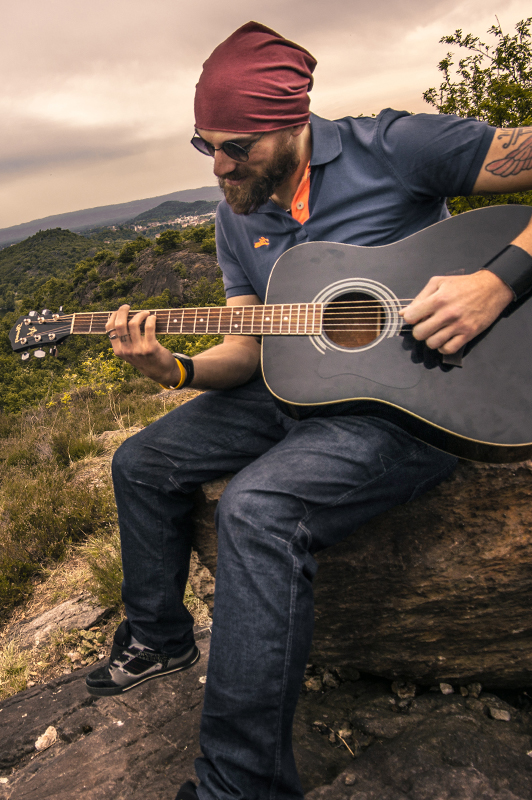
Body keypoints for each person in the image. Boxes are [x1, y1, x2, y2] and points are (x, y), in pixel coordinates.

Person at [85, 21, 532, 800]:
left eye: (237, 146)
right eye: (205, 145)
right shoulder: (238, 212)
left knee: (256, 509)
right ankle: (158, 638)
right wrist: (175, 367)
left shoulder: (394, 147)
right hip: (288, 389)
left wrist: (496, 283)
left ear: (294, 122)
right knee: (141, 461)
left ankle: (239, 785)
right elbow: (248, 347)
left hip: (412, 402)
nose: (220, 166)